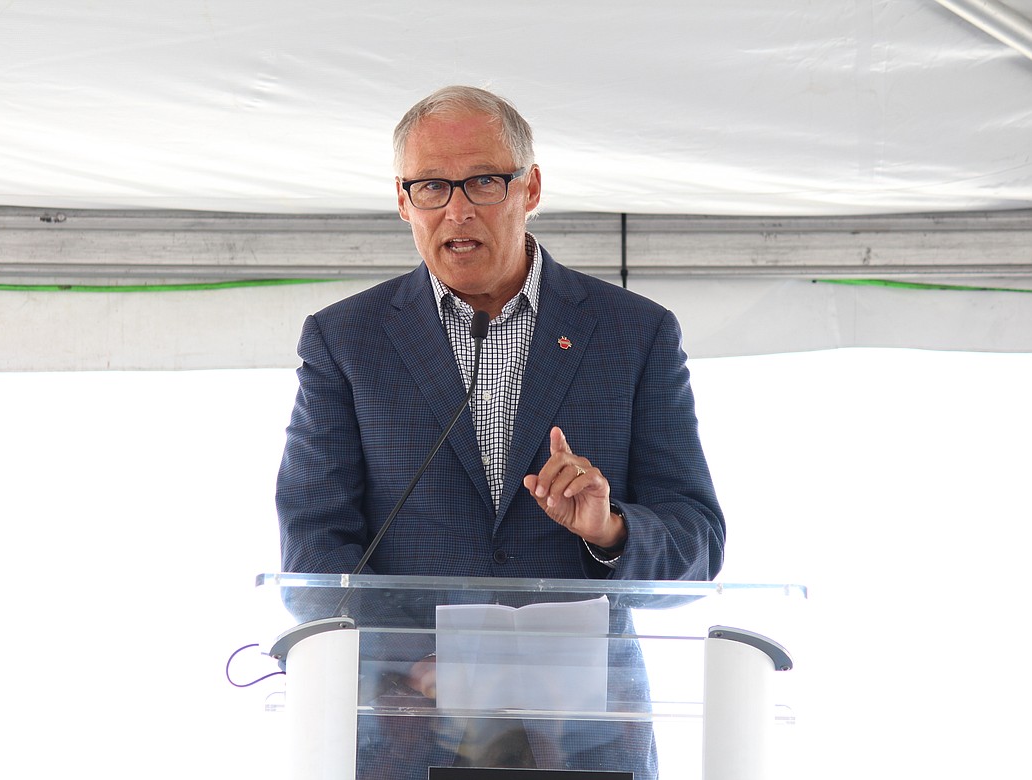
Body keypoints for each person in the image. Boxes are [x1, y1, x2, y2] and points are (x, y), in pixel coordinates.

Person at [276, 85, 725, 778]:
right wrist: (405, 663)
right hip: (405, 729)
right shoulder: (346, 341)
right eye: (431, 186)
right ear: (403, 200)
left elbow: (698, 541)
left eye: (484, 180)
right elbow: (313, 551)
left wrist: (610, 533)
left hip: (587, 735)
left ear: (530, 187)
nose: (457, 209)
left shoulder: (633, 334)